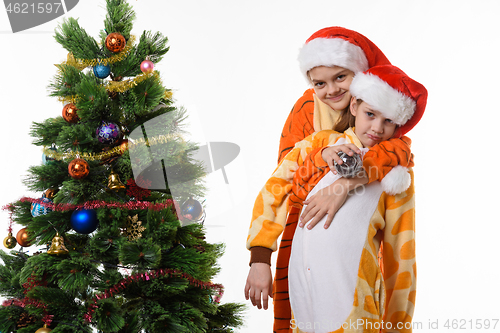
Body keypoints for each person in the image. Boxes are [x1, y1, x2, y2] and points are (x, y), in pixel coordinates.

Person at [245, 65, 427, 332]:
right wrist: (260, 259)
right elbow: (274, 190)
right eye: (370, 114)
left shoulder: (397, 176)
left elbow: (402, 260)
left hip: (355, 309)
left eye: (388, 121)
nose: (377, 128)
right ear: (354, 105)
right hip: (300, 301)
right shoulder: (318, 144)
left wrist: (398, 327)